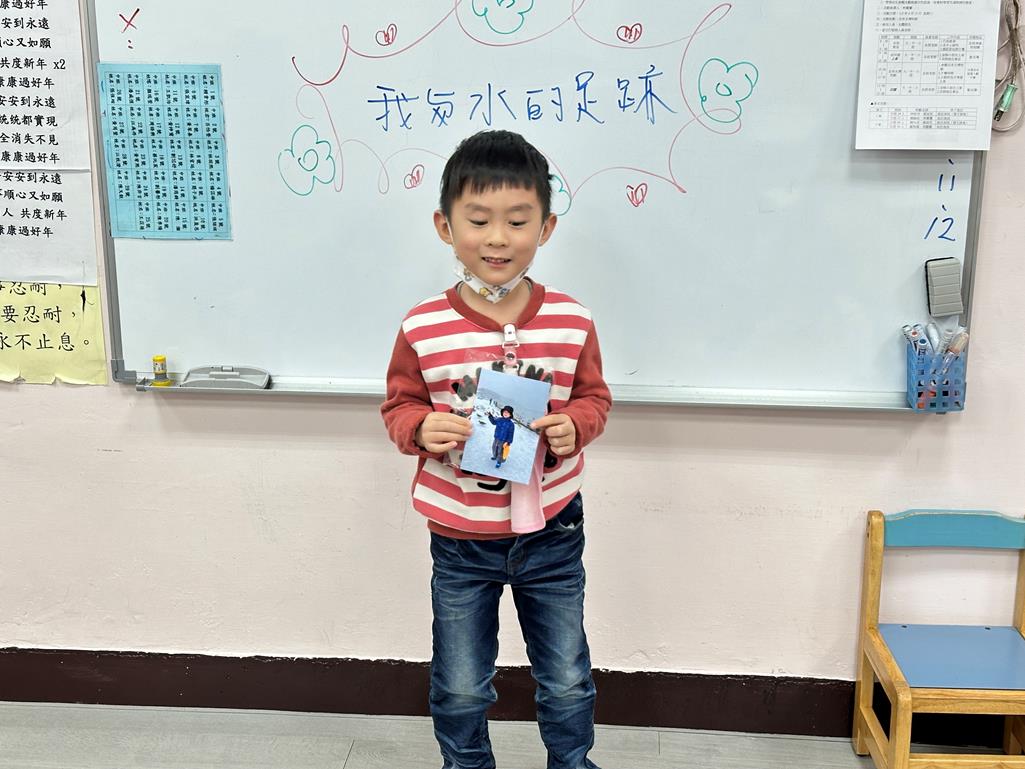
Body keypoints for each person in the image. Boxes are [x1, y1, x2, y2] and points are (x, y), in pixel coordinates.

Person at [381, 129, 612, 769]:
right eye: (479, 220)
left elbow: (595, 398)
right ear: (445, 226)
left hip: (553, 529)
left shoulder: (572, 320)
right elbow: (399, 407)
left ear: (547, 227)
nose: (498, 238)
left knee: (565, 676)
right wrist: (421, 429)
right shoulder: (422, 325)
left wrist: (575, 427)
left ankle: (571, 763)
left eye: (518, 220)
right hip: (461, 536)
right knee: (461, 682)